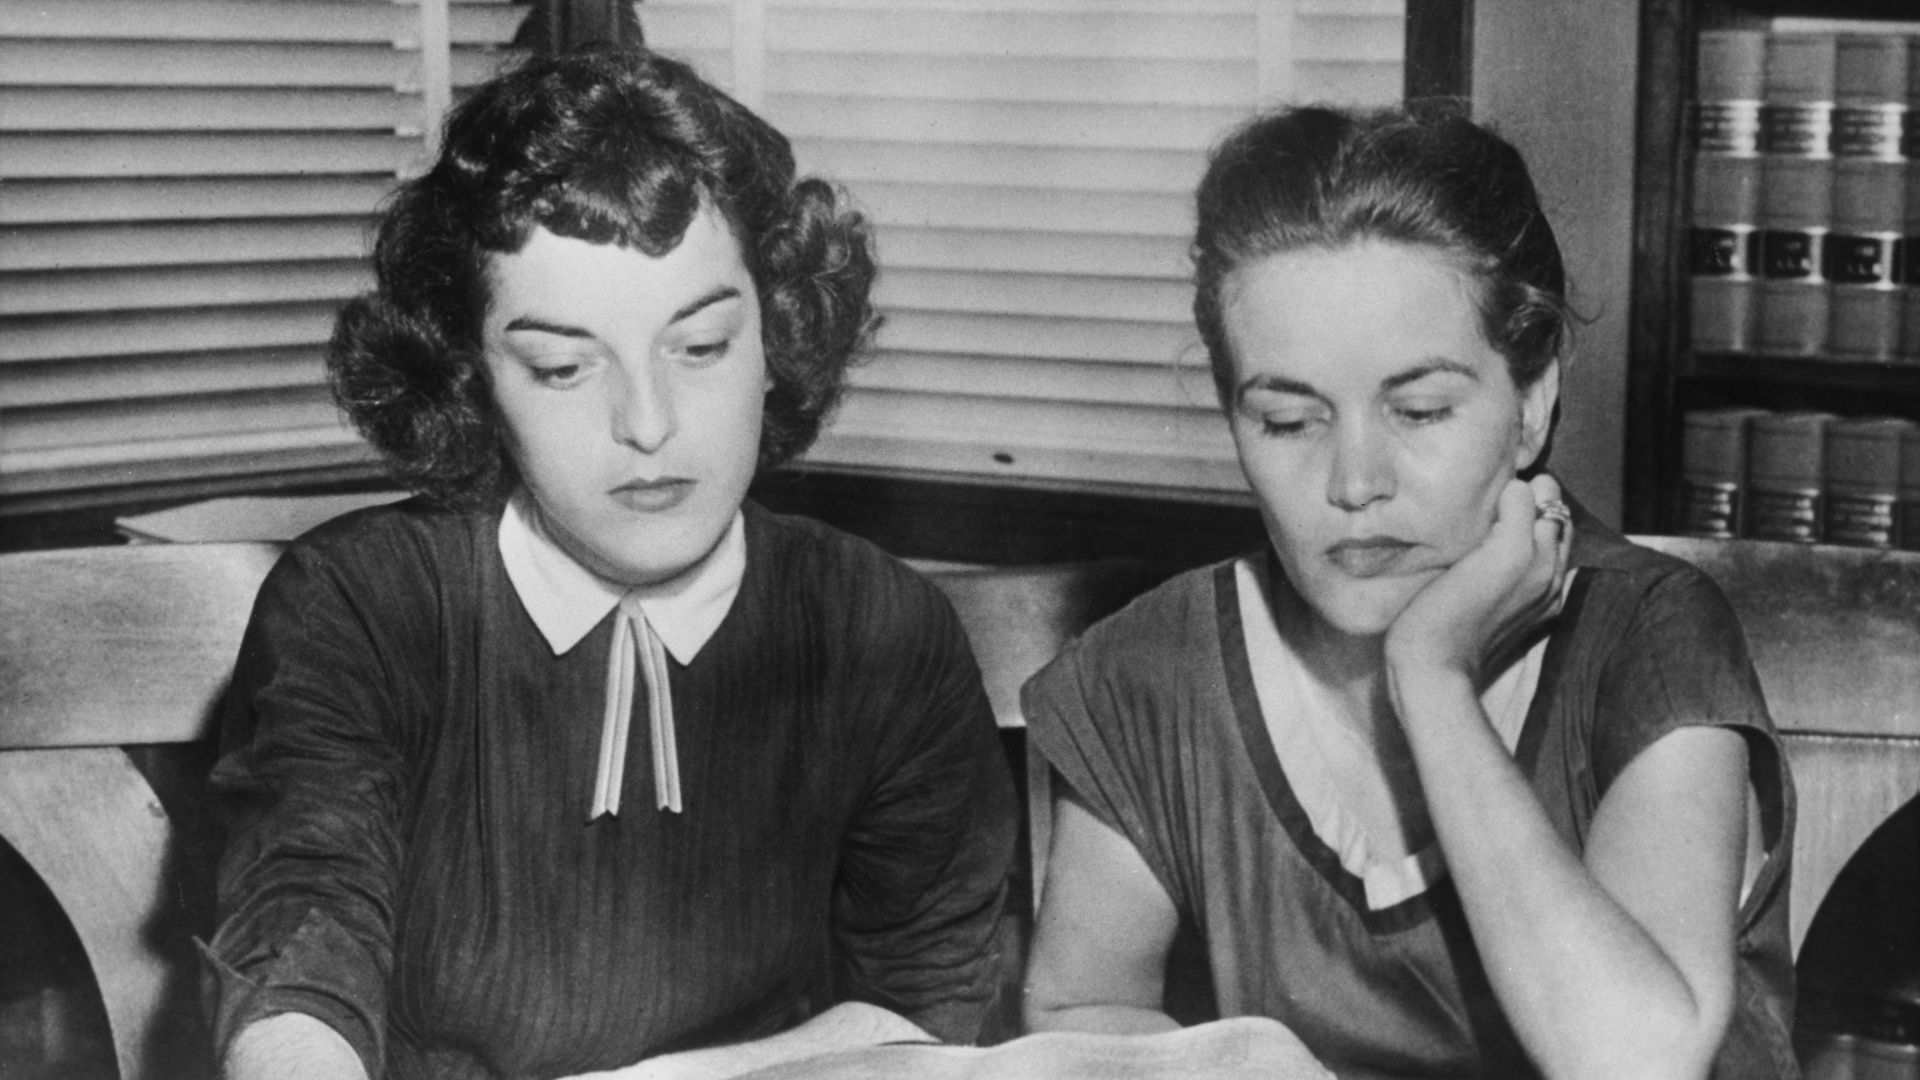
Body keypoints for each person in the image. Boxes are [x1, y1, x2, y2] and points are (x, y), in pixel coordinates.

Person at [202, 48, 1018, 1080]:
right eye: (561, 366)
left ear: (781, 335)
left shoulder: (882, 632)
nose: (647, 424)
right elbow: (301, 938)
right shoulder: (362, 607)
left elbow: (918, 1008)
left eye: (702, 346)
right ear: (470, 378)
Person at [1020, 106, 1796, 1079]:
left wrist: (1431, 676)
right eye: (1289, 420)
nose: (1355, 481)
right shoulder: (1149, 669)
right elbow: (1080, 1014)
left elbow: (1634, 1061)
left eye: (1420, 409)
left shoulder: (1653, 632)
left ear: (1532, 406)